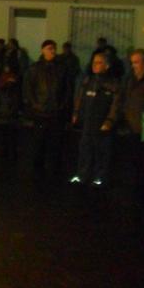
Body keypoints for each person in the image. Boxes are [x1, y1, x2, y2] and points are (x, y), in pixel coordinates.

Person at [106, 49, 144, 220]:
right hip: (132, 127)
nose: (134, 66)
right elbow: (121, 99)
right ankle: (138, 193)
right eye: (132, 62)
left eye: (137, 62)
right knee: (135, 162)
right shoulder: (129, 79)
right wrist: (115, 118)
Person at [23, 39, 72, 180]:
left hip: (55, 111)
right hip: (41, 111)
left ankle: (54, 168)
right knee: (39, 141)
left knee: (55, 142)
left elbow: (67, 89)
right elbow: (28, 89)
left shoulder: (62, 68)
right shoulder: (35, 69)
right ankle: (38, 168)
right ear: (43, 50)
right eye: (49, 48)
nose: (52, 51)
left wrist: (62, 105)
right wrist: (35, 104)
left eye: (54, 49)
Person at [70, 52, 119, 187]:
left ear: (107, 65)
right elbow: (80, 98)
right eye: (94, 62)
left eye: (99, 63)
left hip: (102, 123)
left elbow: (116, 104)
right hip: (88, 121)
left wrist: (109, 120)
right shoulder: (88, 81)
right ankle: (82, 175)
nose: (95, 65)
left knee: (101, 151)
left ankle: (99, 177)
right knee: (85, 148)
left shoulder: (113, 84)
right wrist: (76, 113)